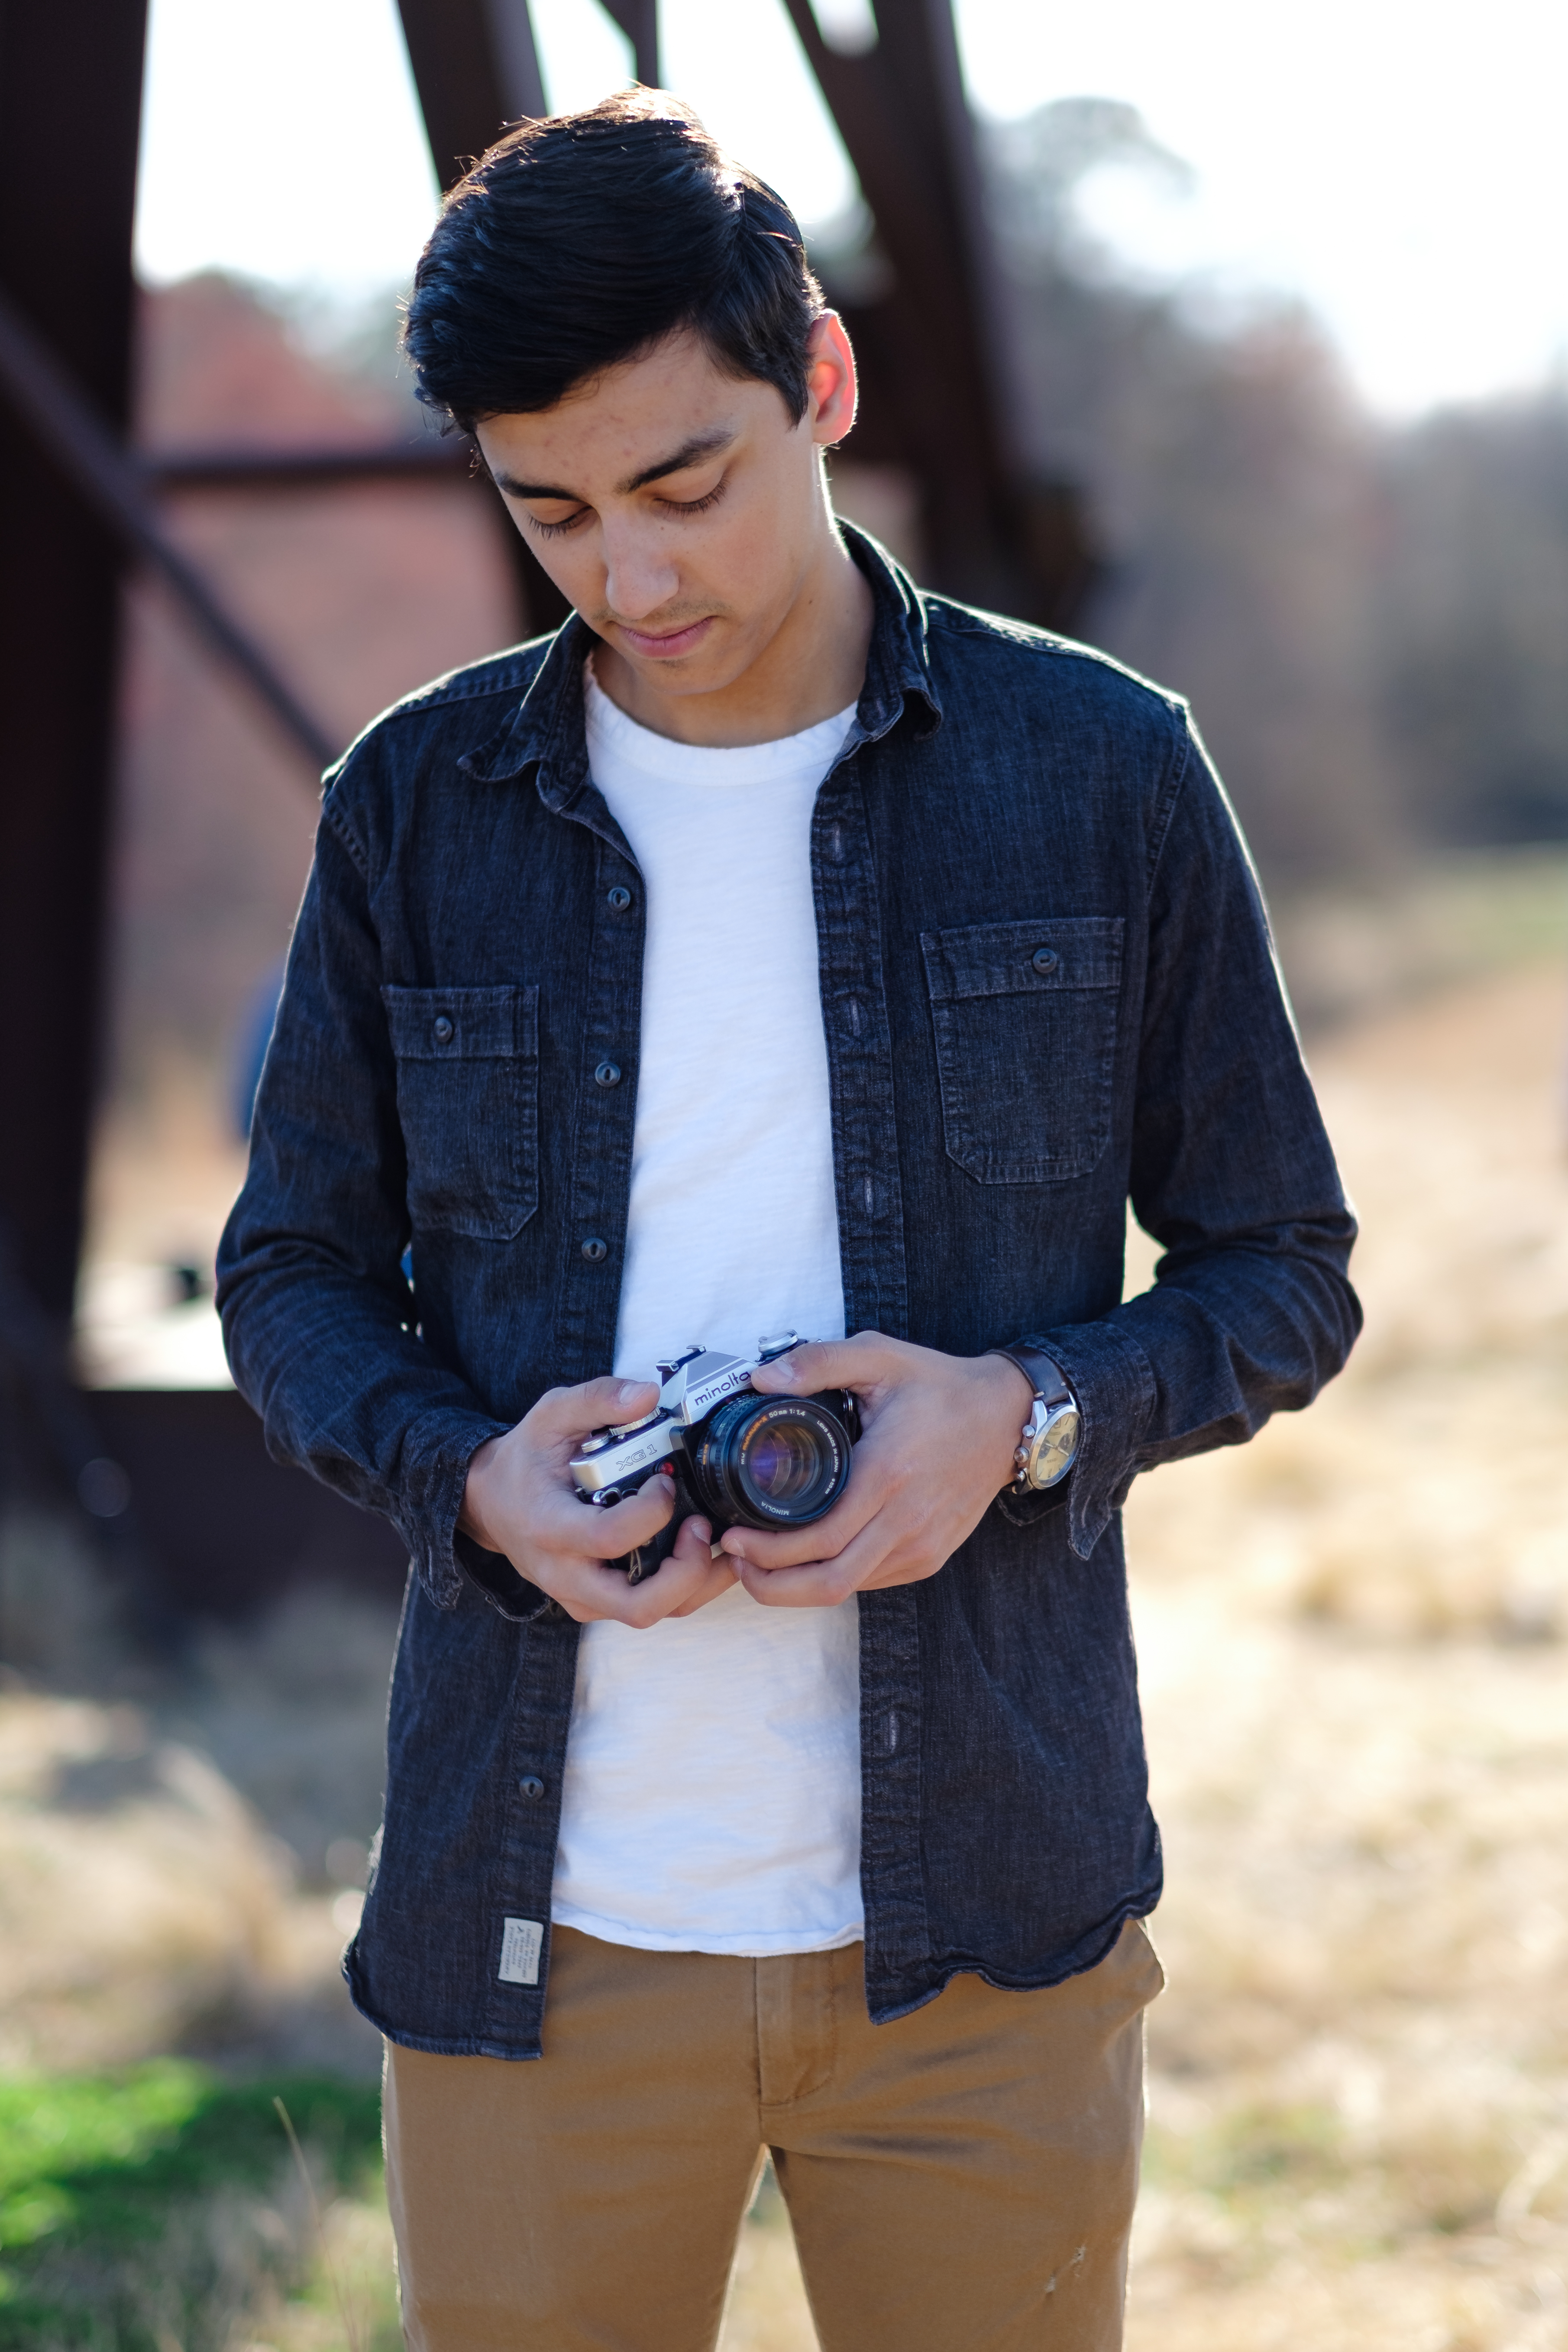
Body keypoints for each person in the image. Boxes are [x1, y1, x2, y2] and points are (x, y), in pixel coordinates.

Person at [217, 91, 1359, 2352]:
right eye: (549, 511)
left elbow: (1278, 1269)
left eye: (686, 483)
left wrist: (1019, 1415)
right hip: (533, 1935)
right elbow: (289, 1276)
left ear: (816, 384)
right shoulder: (415, 807)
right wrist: (472, 1472)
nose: (633, 578)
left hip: (986, 1947)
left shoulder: (1101, 769)